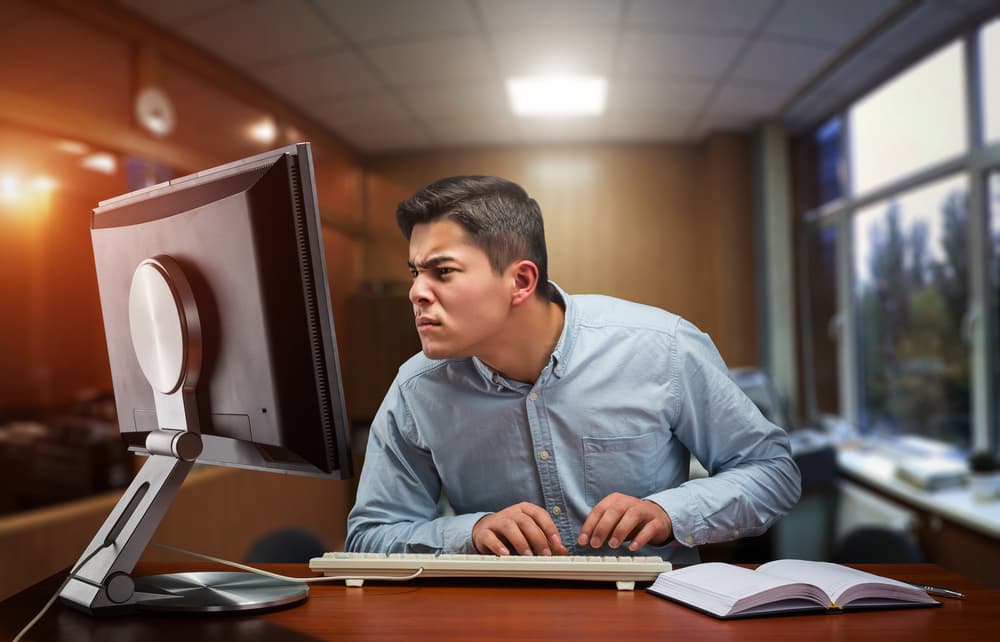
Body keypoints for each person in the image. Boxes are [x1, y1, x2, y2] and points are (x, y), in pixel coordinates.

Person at [345, 176, 800, 563]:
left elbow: (772, 472)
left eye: (441, 272)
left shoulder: (663, 349)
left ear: (520, 281)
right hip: (501, 623)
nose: (416, 293)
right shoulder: (417, 387)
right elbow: (369, 536)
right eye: (414, 273)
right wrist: (469, 532)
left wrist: (669, 514)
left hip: (652, 618)